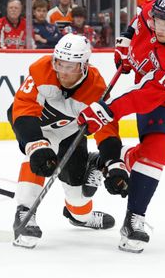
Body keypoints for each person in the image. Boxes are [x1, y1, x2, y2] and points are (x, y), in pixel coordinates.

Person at [76, 0, 165, 254]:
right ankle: (133, 220)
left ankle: (103, 162)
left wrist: (107, 111)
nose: (158, 27)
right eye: (157, 20)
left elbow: (145, 97)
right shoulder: (159, 11)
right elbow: (142, 13)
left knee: (160, 157)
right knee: (158, 153)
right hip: (163, 100)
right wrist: (127, 41)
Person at [8, 34, 126, 248]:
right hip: (34, 126)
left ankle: (81, 215)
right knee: (40, 157)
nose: (62, 71)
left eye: (70, 66)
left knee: (78, 198)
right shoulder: (41, 70)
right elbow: (23, 109)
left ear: (84, 66)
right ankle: (25, 211)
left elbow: (106, 128)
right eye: (59, 63)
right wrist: (35, 145)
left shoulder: (96, 87)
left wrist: (113, 163)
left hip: (69, 132)